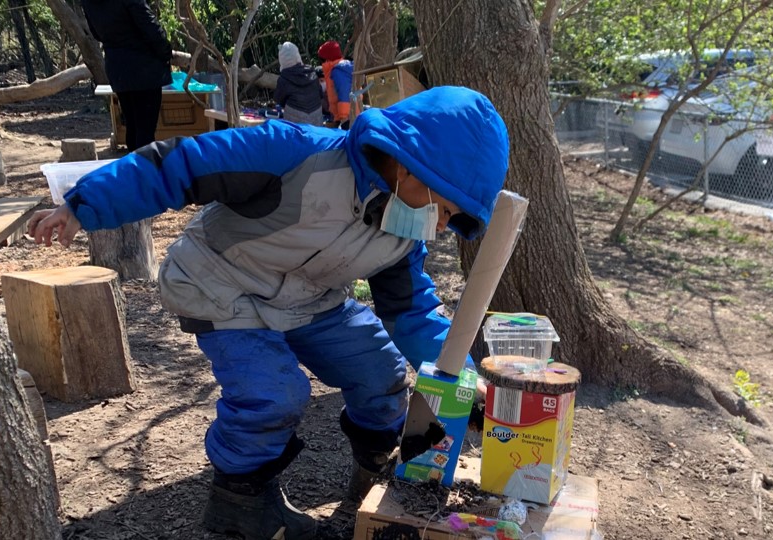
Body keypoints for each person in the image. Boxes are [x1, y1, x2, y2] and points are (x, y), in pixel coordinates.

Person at [28, 86, 509, 540]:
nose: (442, 226)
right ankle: (242, 499)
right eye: (444, 209)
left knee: (380, 373)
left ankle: (375, 470)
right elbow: (182, 165)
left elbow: (412, 314)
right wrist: (83, 205)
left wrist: (466, 380)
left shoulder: (404, 232)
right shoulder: (296, 153)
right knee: (273, 393)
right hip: (221, 284)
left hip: (308, 298)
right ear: (411, 166)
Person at [81, 0, 173, 151]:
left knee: (132, 125)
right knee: (145, 129)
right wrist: (165, 51)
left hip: (117, 68)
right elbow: (150, 27)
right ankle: (144, 171)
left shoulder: (88, 3)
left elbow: (97, 34)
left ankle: (134, 169)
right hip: (145, 68)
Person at [274, 42, 325, 126]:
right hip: (317, 123)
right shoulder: (311, 72)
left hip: (296, 127)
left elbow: (279, 100)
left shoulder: (284, 79)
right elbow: (320, 94)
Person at [317, 40, 354, 129]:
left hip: (348, 117)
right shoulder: (337, 69)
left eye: (323, 59)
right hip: (347, 115)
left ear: (328, 58)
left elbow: (344, 92)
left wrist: (344, 117)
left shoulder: (338, 71)